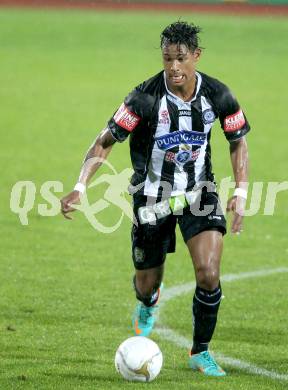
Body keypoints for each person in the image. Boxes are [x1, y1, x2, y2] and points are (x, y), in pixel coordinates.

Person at [61, 21, 250, 377]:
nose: (174, 67)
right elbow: (105, 141)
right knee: (146, 283)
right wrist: (80, 186)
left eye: (181, 59)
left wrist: (240, 191)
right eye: (167, 59)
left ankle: (201, 351)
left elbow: (237, 139)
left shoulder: (219, 94)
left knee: (209, 273)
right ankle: (149, 301)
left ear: (196, 56)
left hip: (200, 193)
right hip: (151, 199)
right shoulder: (144, 98)